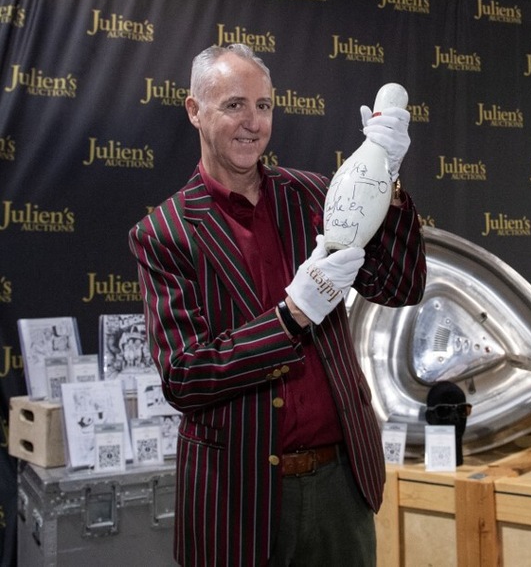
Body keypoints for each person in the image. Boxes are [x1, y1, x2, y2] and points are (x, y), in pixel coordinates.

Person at [128, 43, 427, 566]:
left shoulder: (315, 195)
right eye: (234, 105)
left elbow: (398, 288)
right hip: (237, 499)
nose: (252, 123)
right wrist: (290, 317)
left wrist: (390, 182)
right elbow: (184, 376)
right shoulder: (165, 234)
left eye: (263, 106)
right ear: (195, 110)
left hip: (341, 486)